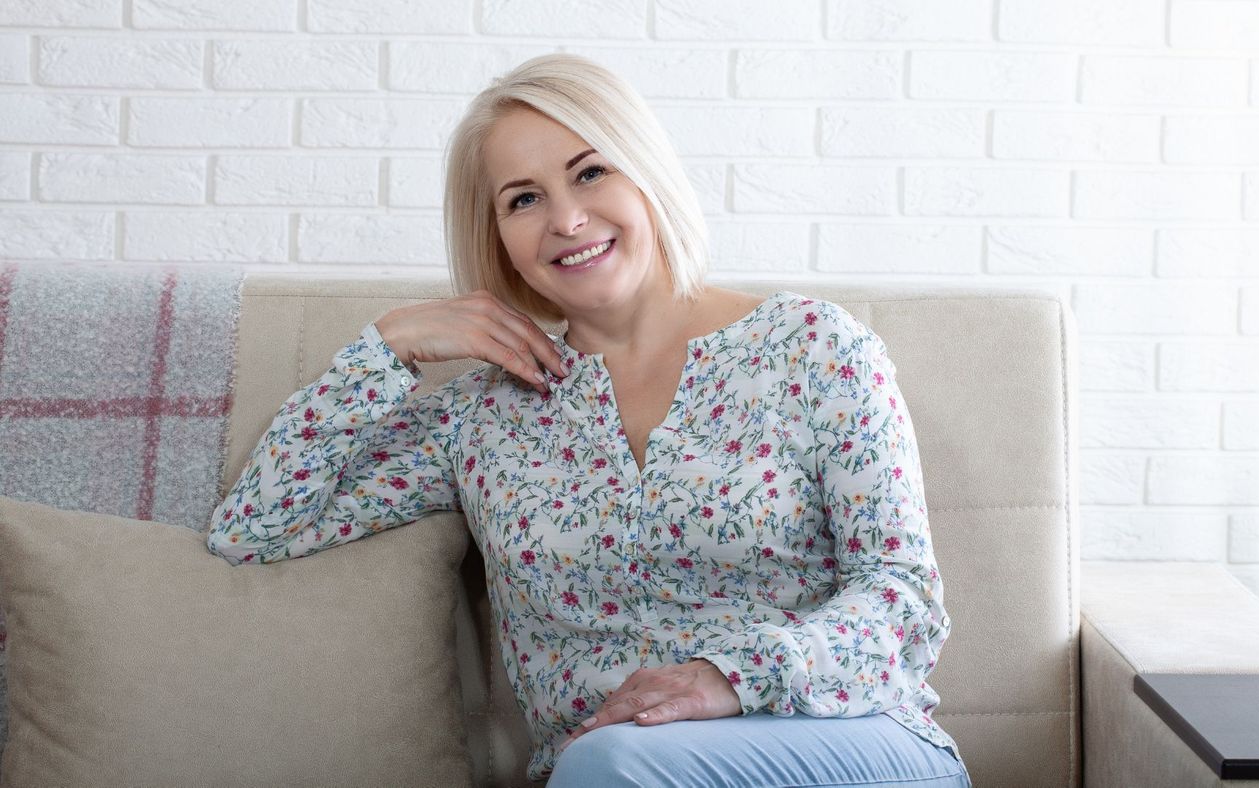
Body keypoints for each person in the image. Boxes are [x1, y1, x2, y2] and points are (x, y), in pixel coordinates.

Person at [207, 53, 970, 787]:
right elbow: (254, 530)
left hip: (847, 743)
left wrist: (728, 680)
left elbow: (901, 597)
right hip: (610, 770)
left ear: (646, 173)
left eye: (591, 171)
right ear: (497, 236)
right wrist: (390, 346)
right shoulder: (479, 418)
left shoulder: (814, 348)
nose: (567, 219)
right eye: (524, 198)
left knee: (612, 765)